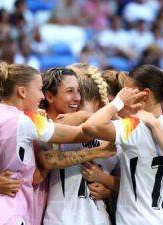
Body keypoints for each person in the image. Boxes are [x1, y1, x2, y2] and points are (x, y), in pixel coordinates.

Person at [0, 62, 115, 225]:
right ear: (23, 92)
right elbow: (40, 172)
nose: (40, 95)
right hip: (8, 212)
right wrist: (97, 115)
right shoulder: (28, 122)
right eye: (39, 90)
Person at [82, 64, 163, 225]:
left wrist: (118, 101)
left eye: (127, 90)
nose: (124, 94)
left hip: (137, 220)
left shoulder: (136, 126)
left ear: (145, 94)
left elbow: (90, 126)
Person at [41, 67, 122, 225]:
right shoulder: (50, 125)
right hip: (63, 217)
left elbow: (132, 183)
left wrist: (107, 185)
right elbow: (48, 158)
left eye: (79, 93)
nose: (76, 99)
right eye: (70, 91)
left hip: (75, 217)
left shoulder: (115, 134)